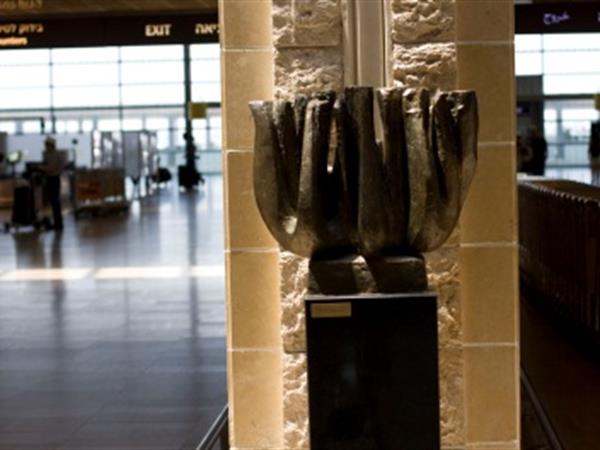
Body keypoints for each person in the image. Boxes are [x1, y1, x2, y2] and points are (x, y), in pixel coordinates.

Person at [42, 137, 66, 231]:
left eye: (47, 144)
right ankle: (57, 222)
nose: (46, 146)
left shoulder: (55, 154)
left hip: (54, 178)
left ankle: (58, 223)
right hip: (50, 178)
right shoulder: (47, 154)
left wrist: (40, 167)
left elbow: (51, 168)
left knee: (55, 201)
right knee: (53, 201)